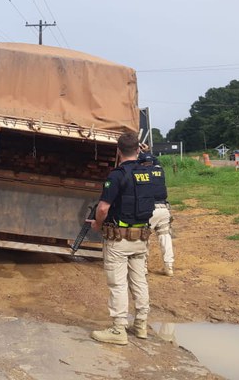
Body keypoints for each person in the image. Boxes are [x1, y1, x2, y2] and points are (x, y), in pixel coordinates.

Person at [89, 132, 155, 345]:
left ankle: (119, 330)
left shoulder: (116, 176)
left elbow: (103, 208)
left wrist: (98, 224)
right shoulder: (148, 173)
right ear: (138, 149)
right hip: (141, 238)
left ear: (118, 151)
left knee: (118, 284)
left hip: (119, 240)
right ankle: (141, 325)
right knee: (139, 281)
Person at [139, 144, 175, 277]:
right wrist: (148, 151)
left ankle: (143, 268)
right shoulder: (160, 171)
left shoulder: (140, 172)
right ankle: (169, 267)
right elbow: (156, 161)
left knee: (143, 238)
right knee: (165, 237)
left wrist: (140, 153)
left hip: (149, 210)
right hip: (164, 209)